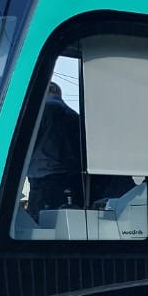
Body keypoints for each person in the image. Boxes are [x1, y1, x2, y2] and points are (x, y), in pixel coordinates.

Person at [26, 81, 84, 219]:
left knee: (40, 224)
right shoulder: (74, 115)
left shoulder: (42, 110)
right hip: (71, 178)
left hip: (43, 178)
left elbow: (27, 144)